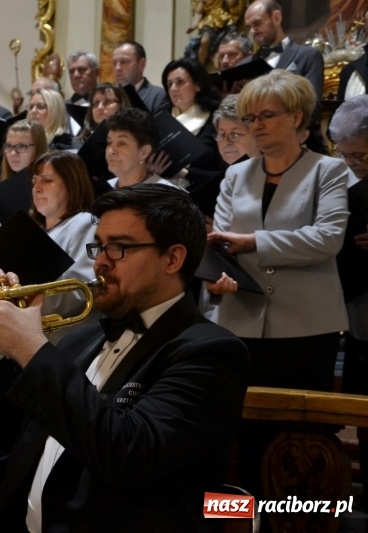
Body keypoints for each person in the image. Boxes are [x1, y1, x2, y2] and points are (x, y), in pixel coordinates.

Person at [0, 183, 250, 532]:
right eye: (99, 247)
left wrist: (31, 347)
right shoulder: (81, 340)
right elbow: (2, 435)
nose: (100, 263)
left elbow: (127, 454)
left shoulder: (210, 352)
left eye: (119, 248)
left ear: (172, 258)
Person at [207, 69, 349, 392]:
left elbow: (327, 239)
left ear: (296, 117)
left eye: (267, 115)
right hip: (239, 322)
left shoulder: (327, 171)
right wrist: (215, 280)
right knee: (244, 432)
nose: (256, 125)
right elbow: (220, 244)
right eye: (251, 117)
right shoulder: (235, 175)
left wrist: (254, 241)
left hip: (308, 326)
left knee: (302, 435)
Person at [325, 95, 368, 488]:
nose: (356, 167)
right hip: (361, 323)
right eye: (348, 158)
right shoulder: (347, 190)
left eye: (362, 157)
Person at [29, 151, 98, 342]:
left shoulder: (85, 222)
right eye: (35, 181)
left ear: (71, 184)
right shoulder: (36, 233)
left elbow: (83, 287)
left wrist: (24, 303)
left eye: (47, 180)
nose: (37, 188)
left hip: (67, 342)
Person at [161, 57, 225, 184]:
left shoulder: (215, 119)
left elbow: (226, 173)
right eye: (169, 84)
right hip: (163, 193)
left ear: (198, 85)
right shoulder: (161, 120)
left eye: (180, 82)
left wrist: (187, 173)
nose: (173, 88)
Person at [244, 0, 324, 99]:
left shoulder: (308, 56)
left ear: (276, 18)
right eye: (249, 27)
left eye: (257, 23)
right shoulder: (244, 65)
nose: (252, 31)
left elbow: (313, 106)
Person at [105, 108, 176, 190]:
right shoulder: (100, 191)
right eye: (109, 142)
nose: (111, 151)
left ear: (144, 152)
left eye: (121, 143)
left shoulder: (168, 195)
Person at [111, 41, 169, 114]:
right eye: (114, 63)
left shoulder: (159, 96)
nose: (117, 68)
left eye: (124, 62)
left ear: (141, 64)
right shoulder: (107, 98)